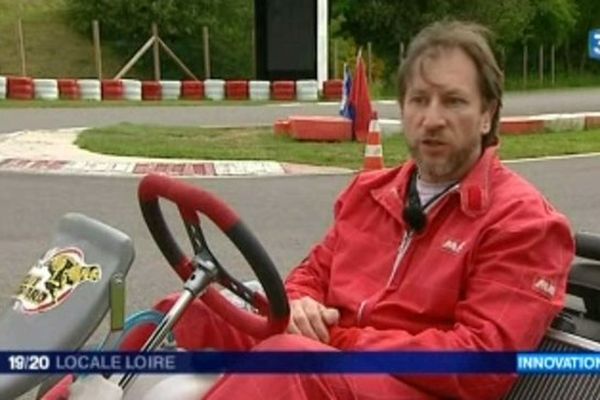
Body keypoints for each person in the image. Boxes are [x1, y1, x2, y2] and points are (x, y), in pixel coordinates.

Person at [49, 20, 574, 400]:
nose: (431, 119)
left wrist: (337, 338)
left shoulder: (524, 222)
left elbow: (480, 363)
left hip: (409, 386)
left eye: (454, 102)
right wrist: (297, 305)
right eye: (419, 100)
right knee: (190, 307)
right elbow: (311, 276)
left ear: (488, 115)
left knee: (287, 360)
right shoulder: (374, 194)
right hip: (332, 363)